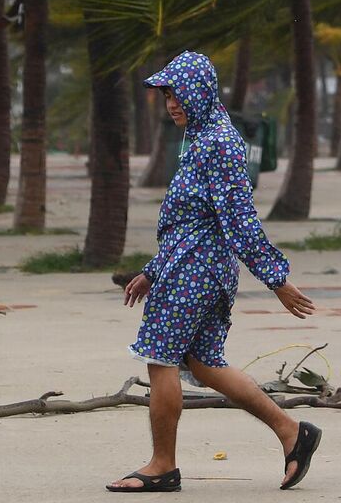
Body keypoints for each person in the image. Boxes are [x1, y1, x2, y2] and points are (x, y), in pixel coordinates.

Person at [109, 51, 322, 493]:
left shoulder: (218, 143)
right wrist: (152, 269)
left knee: (160, 358)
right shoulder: (201, 136)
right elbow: (191, 219)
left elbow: (239, 218)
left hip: (196, 271)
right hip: (193, 264)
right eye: (167, 94)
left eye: (179, 93)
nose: (172, 102)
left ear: (202, 91)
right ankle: (292, 432)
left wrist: (276, 279)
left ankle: (162, 465)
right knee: (204, 364)